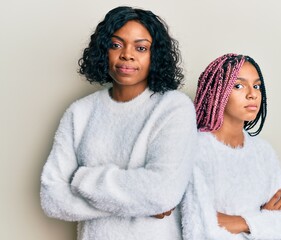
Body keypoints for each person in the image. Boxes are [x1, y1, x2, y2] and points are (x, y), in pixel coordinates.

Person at [40, 6, 197, 240]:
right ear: (104, 51)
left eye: (141, 48)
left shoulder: (173, 107)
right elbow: (52, 198)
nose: (127, 54)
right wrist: (139, 203)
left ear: (155, 55)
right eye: (116, 45)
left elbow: (161, 192)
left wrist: (81, 180)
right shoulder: (79, 112)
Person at [181, 53, 281, 239]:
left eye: (257, 86)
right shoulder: (195, 149)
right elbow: (197, 228)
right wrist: (262, 220)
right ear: (217, 91)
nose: (252, 94)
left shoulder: (264, 153)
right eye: (239, 86)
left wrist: (239, 222)